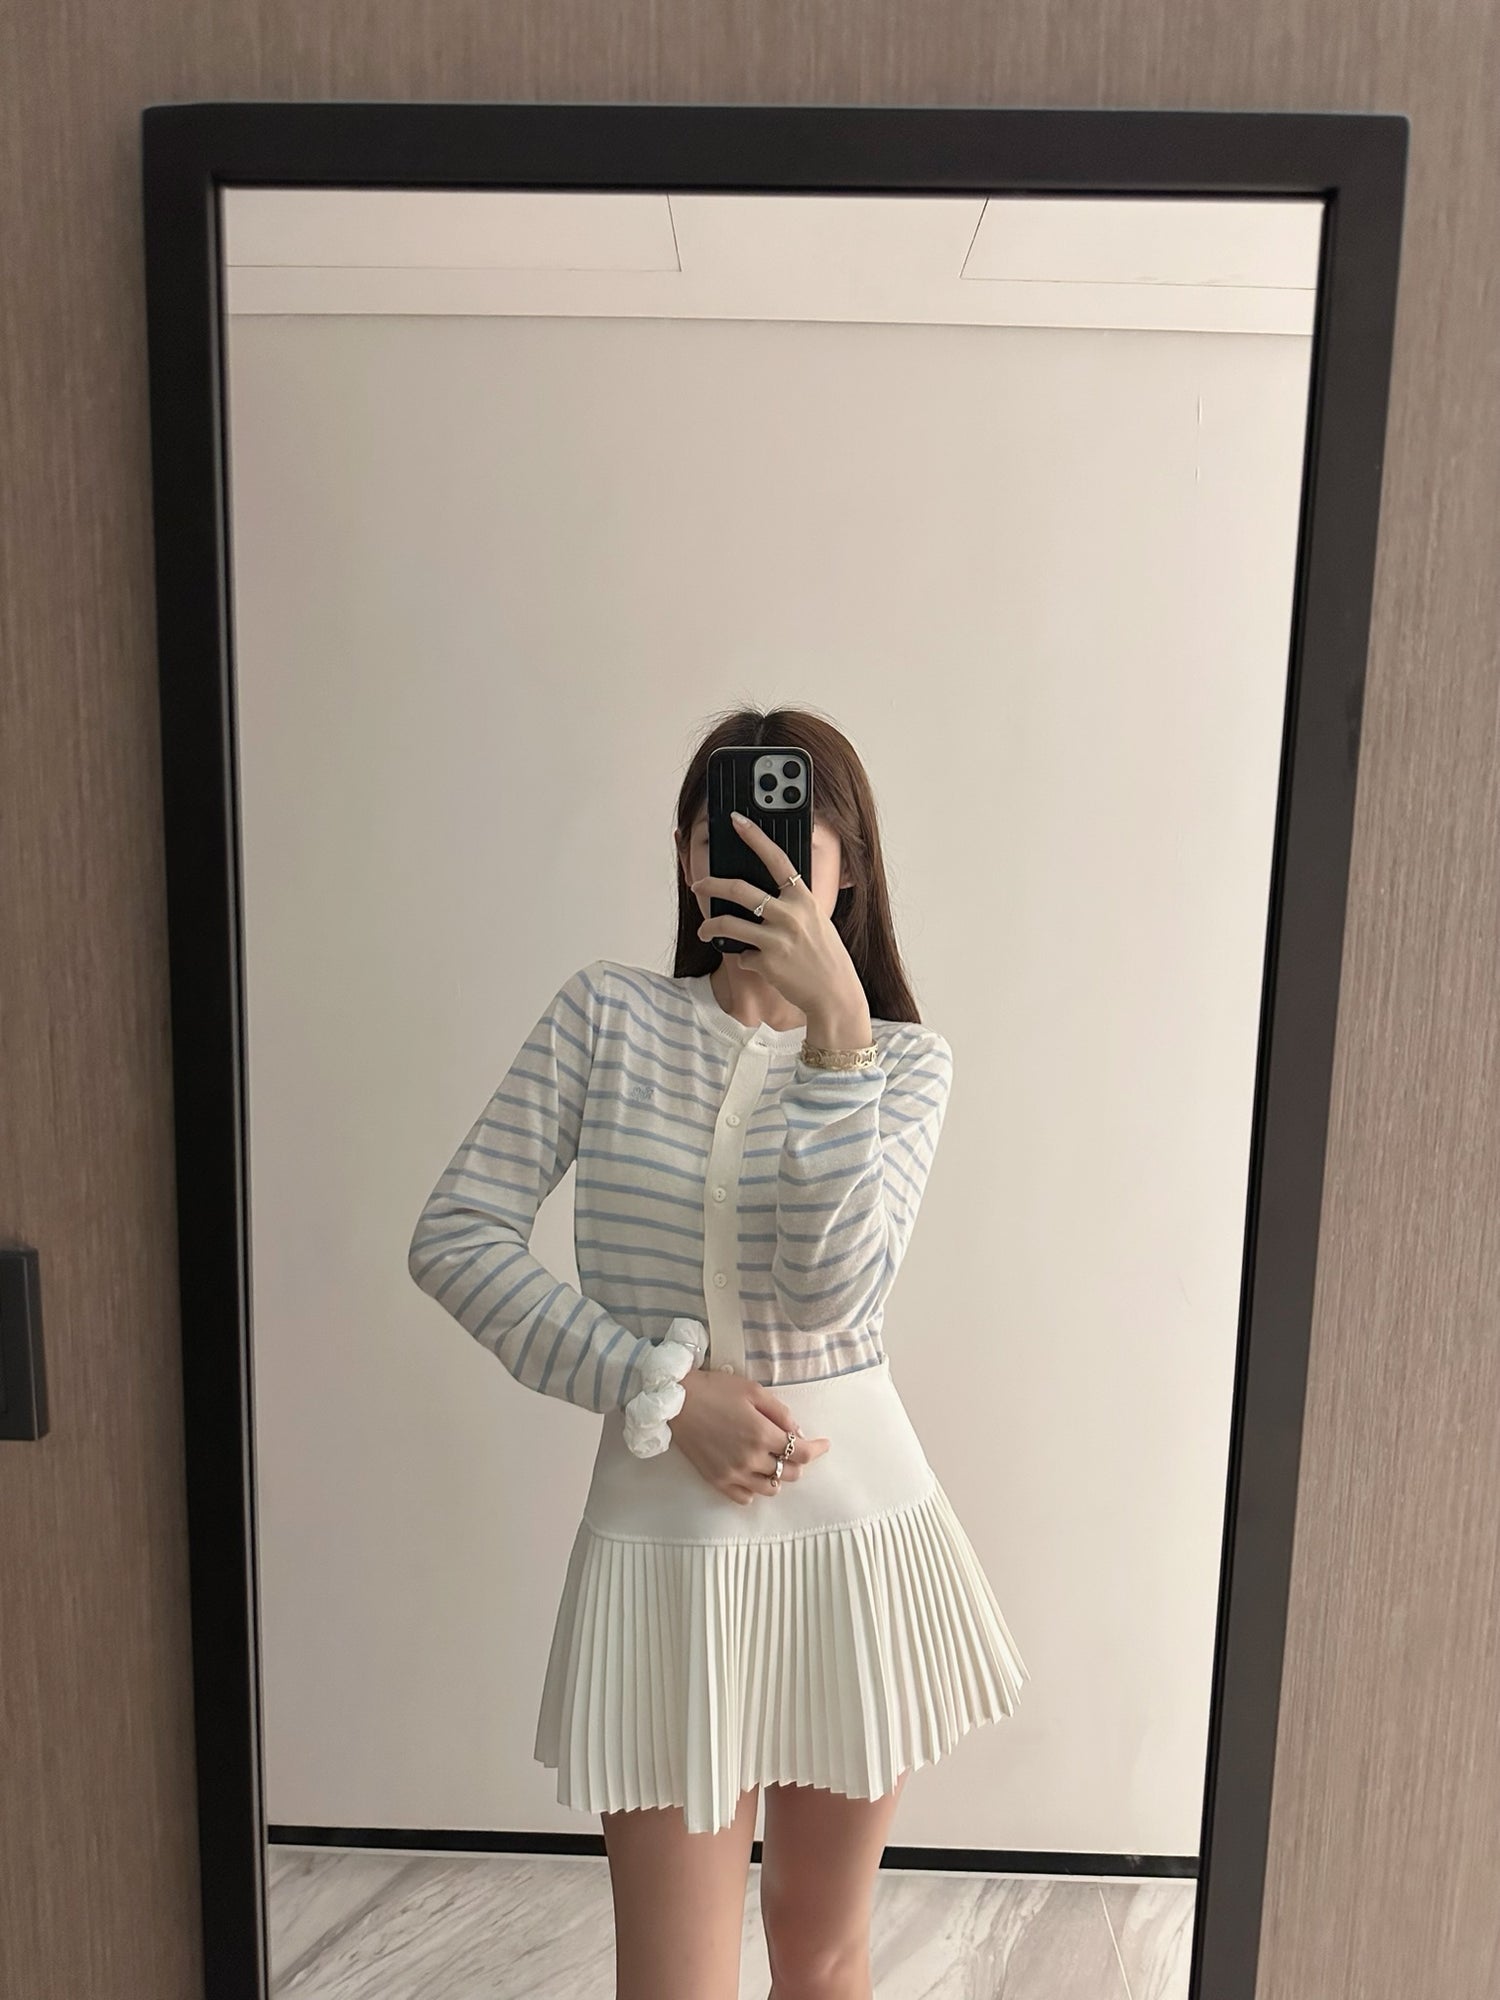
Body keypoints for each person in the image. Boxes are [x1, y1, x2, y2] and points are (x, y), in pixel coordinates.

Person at [407, 707, 1028, 2000]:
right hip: (665, 1546)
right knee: (673, 1978)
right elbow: (457, 1235)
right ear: (688, 863)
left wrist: (840, 1038)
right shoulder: (606, 1017)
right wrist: (660, 1391)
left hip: (857, 1539)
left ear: (849, 869)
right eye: (716, 829)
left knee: (823, 1949)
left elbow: (833, 1284)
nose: (749, 851)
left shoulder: (905, 1063)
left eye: (793, 828)